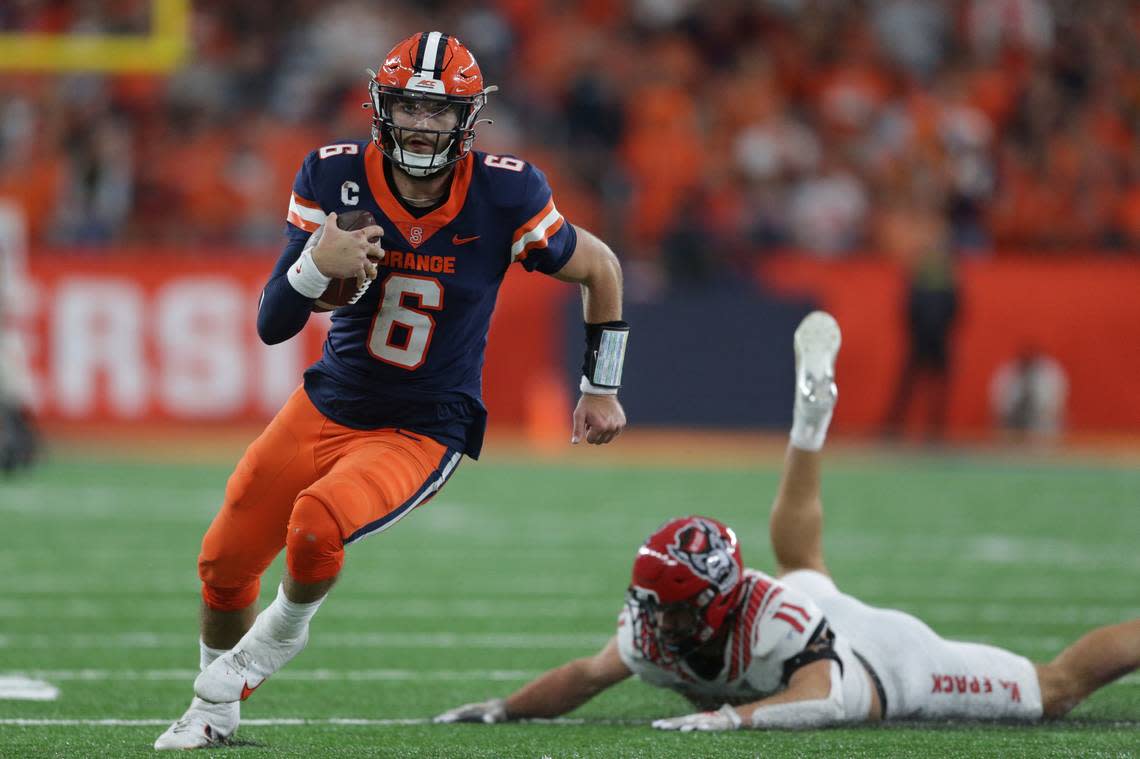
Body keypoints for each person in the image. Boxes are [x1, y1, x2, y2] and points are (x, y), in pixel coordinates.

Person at [156, 31, 628, 750]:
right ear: (382, 106)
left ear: (469, 119)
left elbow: (602, 267)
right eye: (410, 106)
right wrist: (316, 265)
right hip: (328, 401)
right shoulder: (334, 175)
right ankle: (214, 716)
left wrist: (602, 385)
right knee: (223, 563)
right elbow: (272, 323)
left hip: (423, 424)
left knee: (316, 523)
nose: (422, 124)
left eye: (440, 112)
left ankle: (277, 638)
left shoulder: (505, 192)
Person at [437, 311, 1139, 731]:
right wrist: (509, 707)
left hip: (879, 660)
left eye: (675, 611)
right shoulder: (662, 629)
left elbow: (824, 699)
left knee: (1055, 689)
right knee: (801, 552)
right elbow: (586, 674)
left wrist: (728, 718)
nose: (659, 625)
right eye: (656, 608)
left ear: (718, 603)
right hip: (813, 621)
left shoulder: (774, 618)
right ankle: (808, 424)